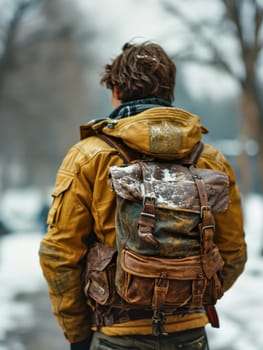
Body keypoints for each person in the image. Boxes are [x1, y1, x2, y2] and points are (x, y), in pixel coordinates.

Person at [39, 41, 247, 350]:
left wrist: (78, 334)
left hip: (115, 335)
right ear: (169, 94)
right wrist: (187, 297)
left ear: (117, 91)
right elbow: (233, 252)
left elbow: (59, 256)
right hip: (190, 337)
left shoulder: (88, 157)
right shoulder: (211, 160)